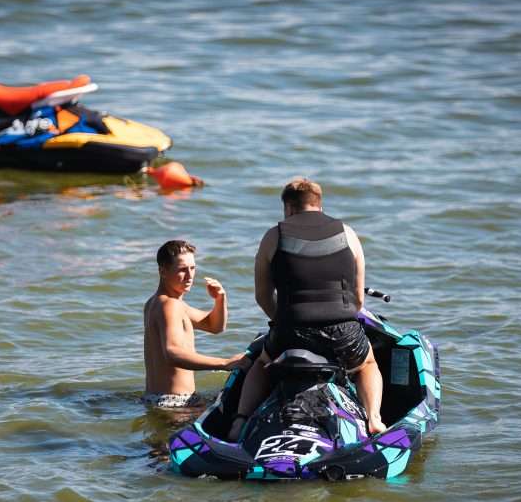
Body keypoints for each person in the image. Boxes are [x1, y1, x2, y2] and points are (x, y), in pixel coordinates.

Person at [227, 177, 386, 440]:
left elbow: (262, 296)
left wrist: (283, 320)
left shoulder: (273, 235)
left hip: (291, 331)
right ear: (319, 205)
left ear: (288, 207)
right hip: (342, 334)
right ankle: (375, 421)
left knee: (261, 363)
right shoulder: (348, 233)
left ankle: (239, 422)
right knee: (367, 363)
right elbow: (358, 299)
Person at [143, 240, 251, 408]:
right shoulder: (170, 305)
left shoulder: (158, 302)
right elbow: (172, 353)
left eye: (192, 268)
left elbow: (214, 326)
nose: (190, 275)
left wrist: (220, 299)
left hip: (156, 399)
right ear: (162, 271)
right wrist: (225, 363)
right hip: (177, 403)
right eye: (182, 270)